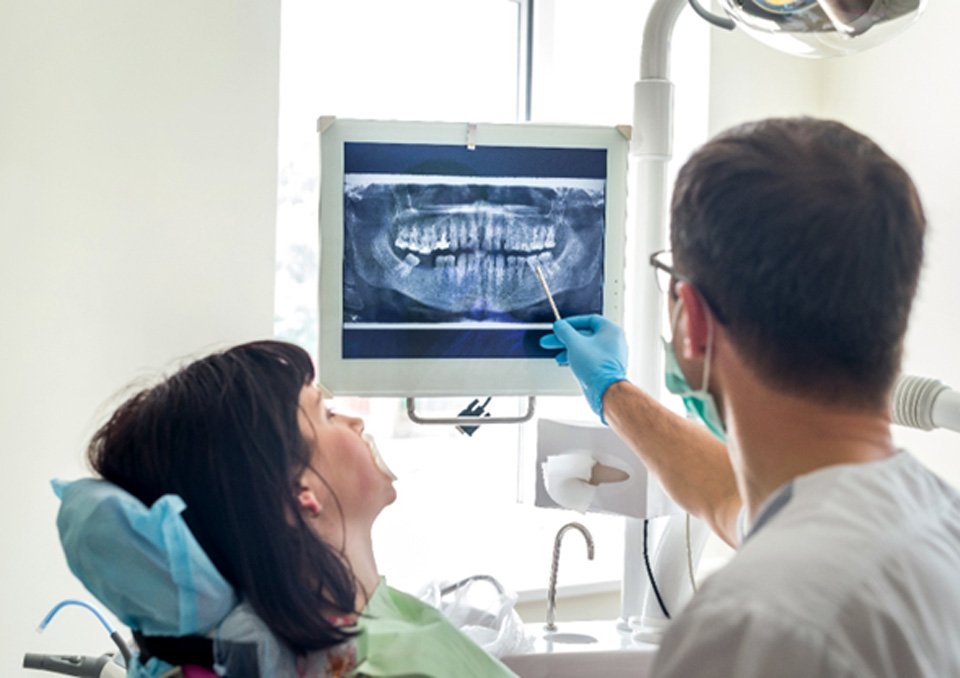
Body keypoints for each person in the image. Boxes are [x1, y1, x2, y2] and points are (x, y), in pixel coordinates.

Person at [540, 117, 960, 676]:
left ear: (691, 319)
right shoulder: (930, 522)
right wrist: (611, 392)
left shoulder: (751, 626)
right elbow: (724, 497)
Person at [56, 340, 517, 677]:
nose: (356, 421)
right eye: (328, 414)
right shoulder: (376, 664)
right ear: (300, 493)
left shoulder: (371, 625)